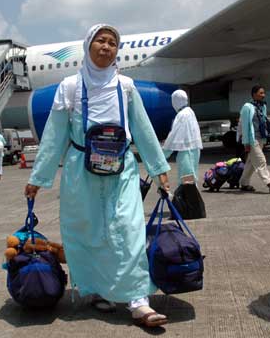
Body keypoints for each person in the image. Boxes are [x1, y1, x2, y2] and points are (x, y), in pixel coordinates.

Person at [24, 24, 171, 327]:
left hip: (122, 170)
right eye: (100, 41)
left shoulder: (127, 87)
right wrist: (38, 178)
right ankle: (95, 290)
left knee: (128, 231)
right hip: (81, 171)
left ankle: (138, 300)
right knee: (87, 233)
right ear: (88, 46)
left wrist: (159, 171)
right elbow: (54, 136)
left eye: (112, 43)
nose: (106, 47)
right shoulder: (69, 88)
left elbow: (143, 131)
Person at [238, 85, 270, 193]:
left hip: (261, 138)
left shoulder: (262, 106)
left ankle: (243, 183)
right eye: (261, 93)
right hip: (252, 139)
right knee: (261, 160)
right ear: (254, 94)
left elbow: (264, 121)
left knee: (251, 163)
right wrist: (246, 142)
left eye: (264, 93)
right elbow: (245, 126)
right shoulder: (247, 107)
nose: (263, 95)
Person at [162, 89, 203, 185]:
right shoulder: (190, 112)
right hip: (194, 150)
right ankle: (191, 199)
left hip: (186, 152)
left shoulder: (182, 115)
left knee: (186, 181)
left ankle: (188, 200)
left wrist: (164, 153)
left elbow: (174, 135)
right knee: (192, 180)